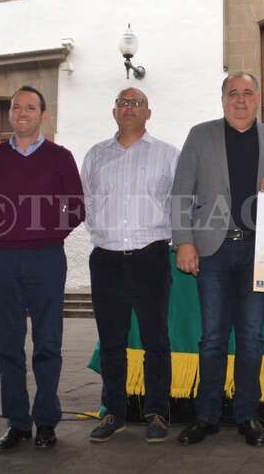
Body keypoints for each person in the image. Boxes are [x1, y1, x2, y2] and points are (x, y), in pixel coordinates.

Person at [171, 72, 264, 447]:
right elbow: (181, 191)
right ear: (222, 98)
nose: (240, 99)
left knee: (251, 339)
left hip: (260, 252)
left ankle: (247, 416)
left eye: (247, 93)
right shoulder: (199, 135)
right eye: (233, 93)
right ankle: (206, 417)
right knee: (211, 339)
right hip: (212, 250)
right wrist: (183, 242)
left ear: (258, 98)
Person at [0, 86, 84, 452]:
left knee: (48, 343)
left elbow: (76, 207)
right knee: (6, 345)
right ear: (10, 114)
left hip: (46, 259)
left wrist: (49, 231)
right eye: (16, 107)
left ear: (42, 115)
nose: (22, 113)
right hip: (3, 259)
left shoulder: (60, 157)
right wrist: (4, 233)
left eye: (30, 107)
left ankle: (46, 421)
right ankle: (17, 422)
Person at [81, 88, 179, 444]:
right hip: (106, 259)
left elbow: (182, 203)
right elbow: (87, 204)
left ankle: (157, 413)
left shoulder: (168, 155)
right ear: (113, 111)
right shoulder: (95, 156)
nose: (128, 108)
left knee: (156, 341)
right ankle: (114, 413)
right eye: (122, 102)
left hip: (150, 258)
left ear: (148, 112)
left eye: (136, 103)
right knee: (111, 342)